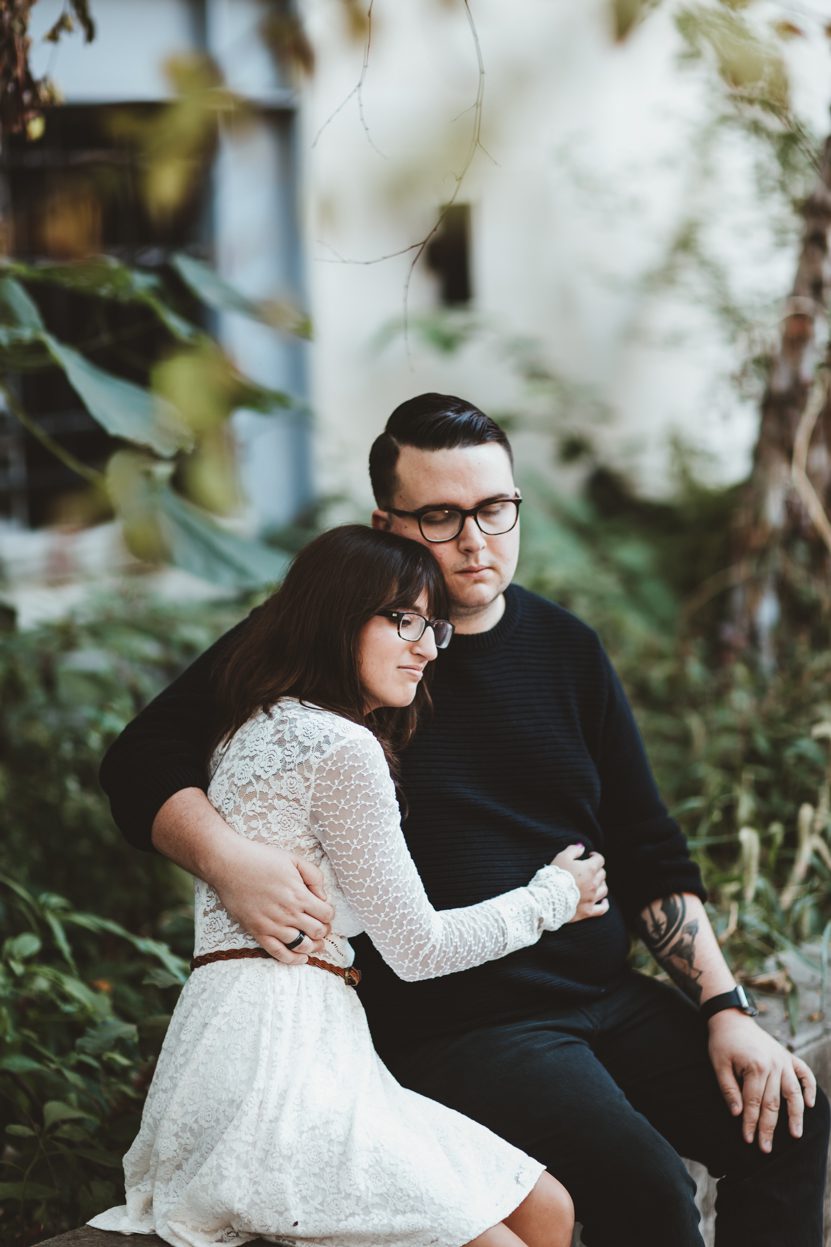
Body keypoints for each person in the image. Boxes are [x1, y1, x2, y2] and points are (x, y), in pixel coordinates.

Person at [101, 395, 830, 1247]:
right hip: (459, 1024)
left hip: (599, 994)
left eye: (493, 508)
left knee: (788, 1121)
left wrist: (725, 1009)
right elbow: (141, 757)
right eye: (441, 516)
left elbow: (645, 846)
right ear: (387, 524)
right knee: (645, 1187)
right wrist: (228, 860)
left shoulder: (566, 647)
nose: (475, 540)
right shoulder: (337, 642)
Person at [90, 524, 599, 1247]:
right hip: (284, 1058)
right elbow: (418, 948)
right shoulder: (341, 746)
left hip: (241, 1045)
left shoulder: (251, 729)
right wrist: (552, 897)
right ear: (336, 616)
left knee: (545, 1207)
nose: (427, 647)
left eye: (432, 627)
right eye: (403, 620)